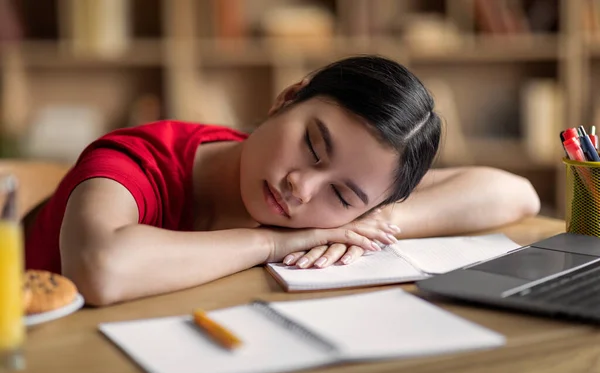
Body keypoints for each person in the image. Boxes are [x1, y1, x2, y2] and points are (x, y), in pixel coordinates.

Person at [25, 55, 540, 306]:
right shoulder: (139, 159)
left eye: (341, 194)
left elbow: (515, 193)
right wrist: (275, 240)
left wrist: (377, 222)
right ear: (287, 97)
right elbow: (101, 269)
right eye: (313, 146)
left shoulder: (349, 211)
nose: (302, 187)